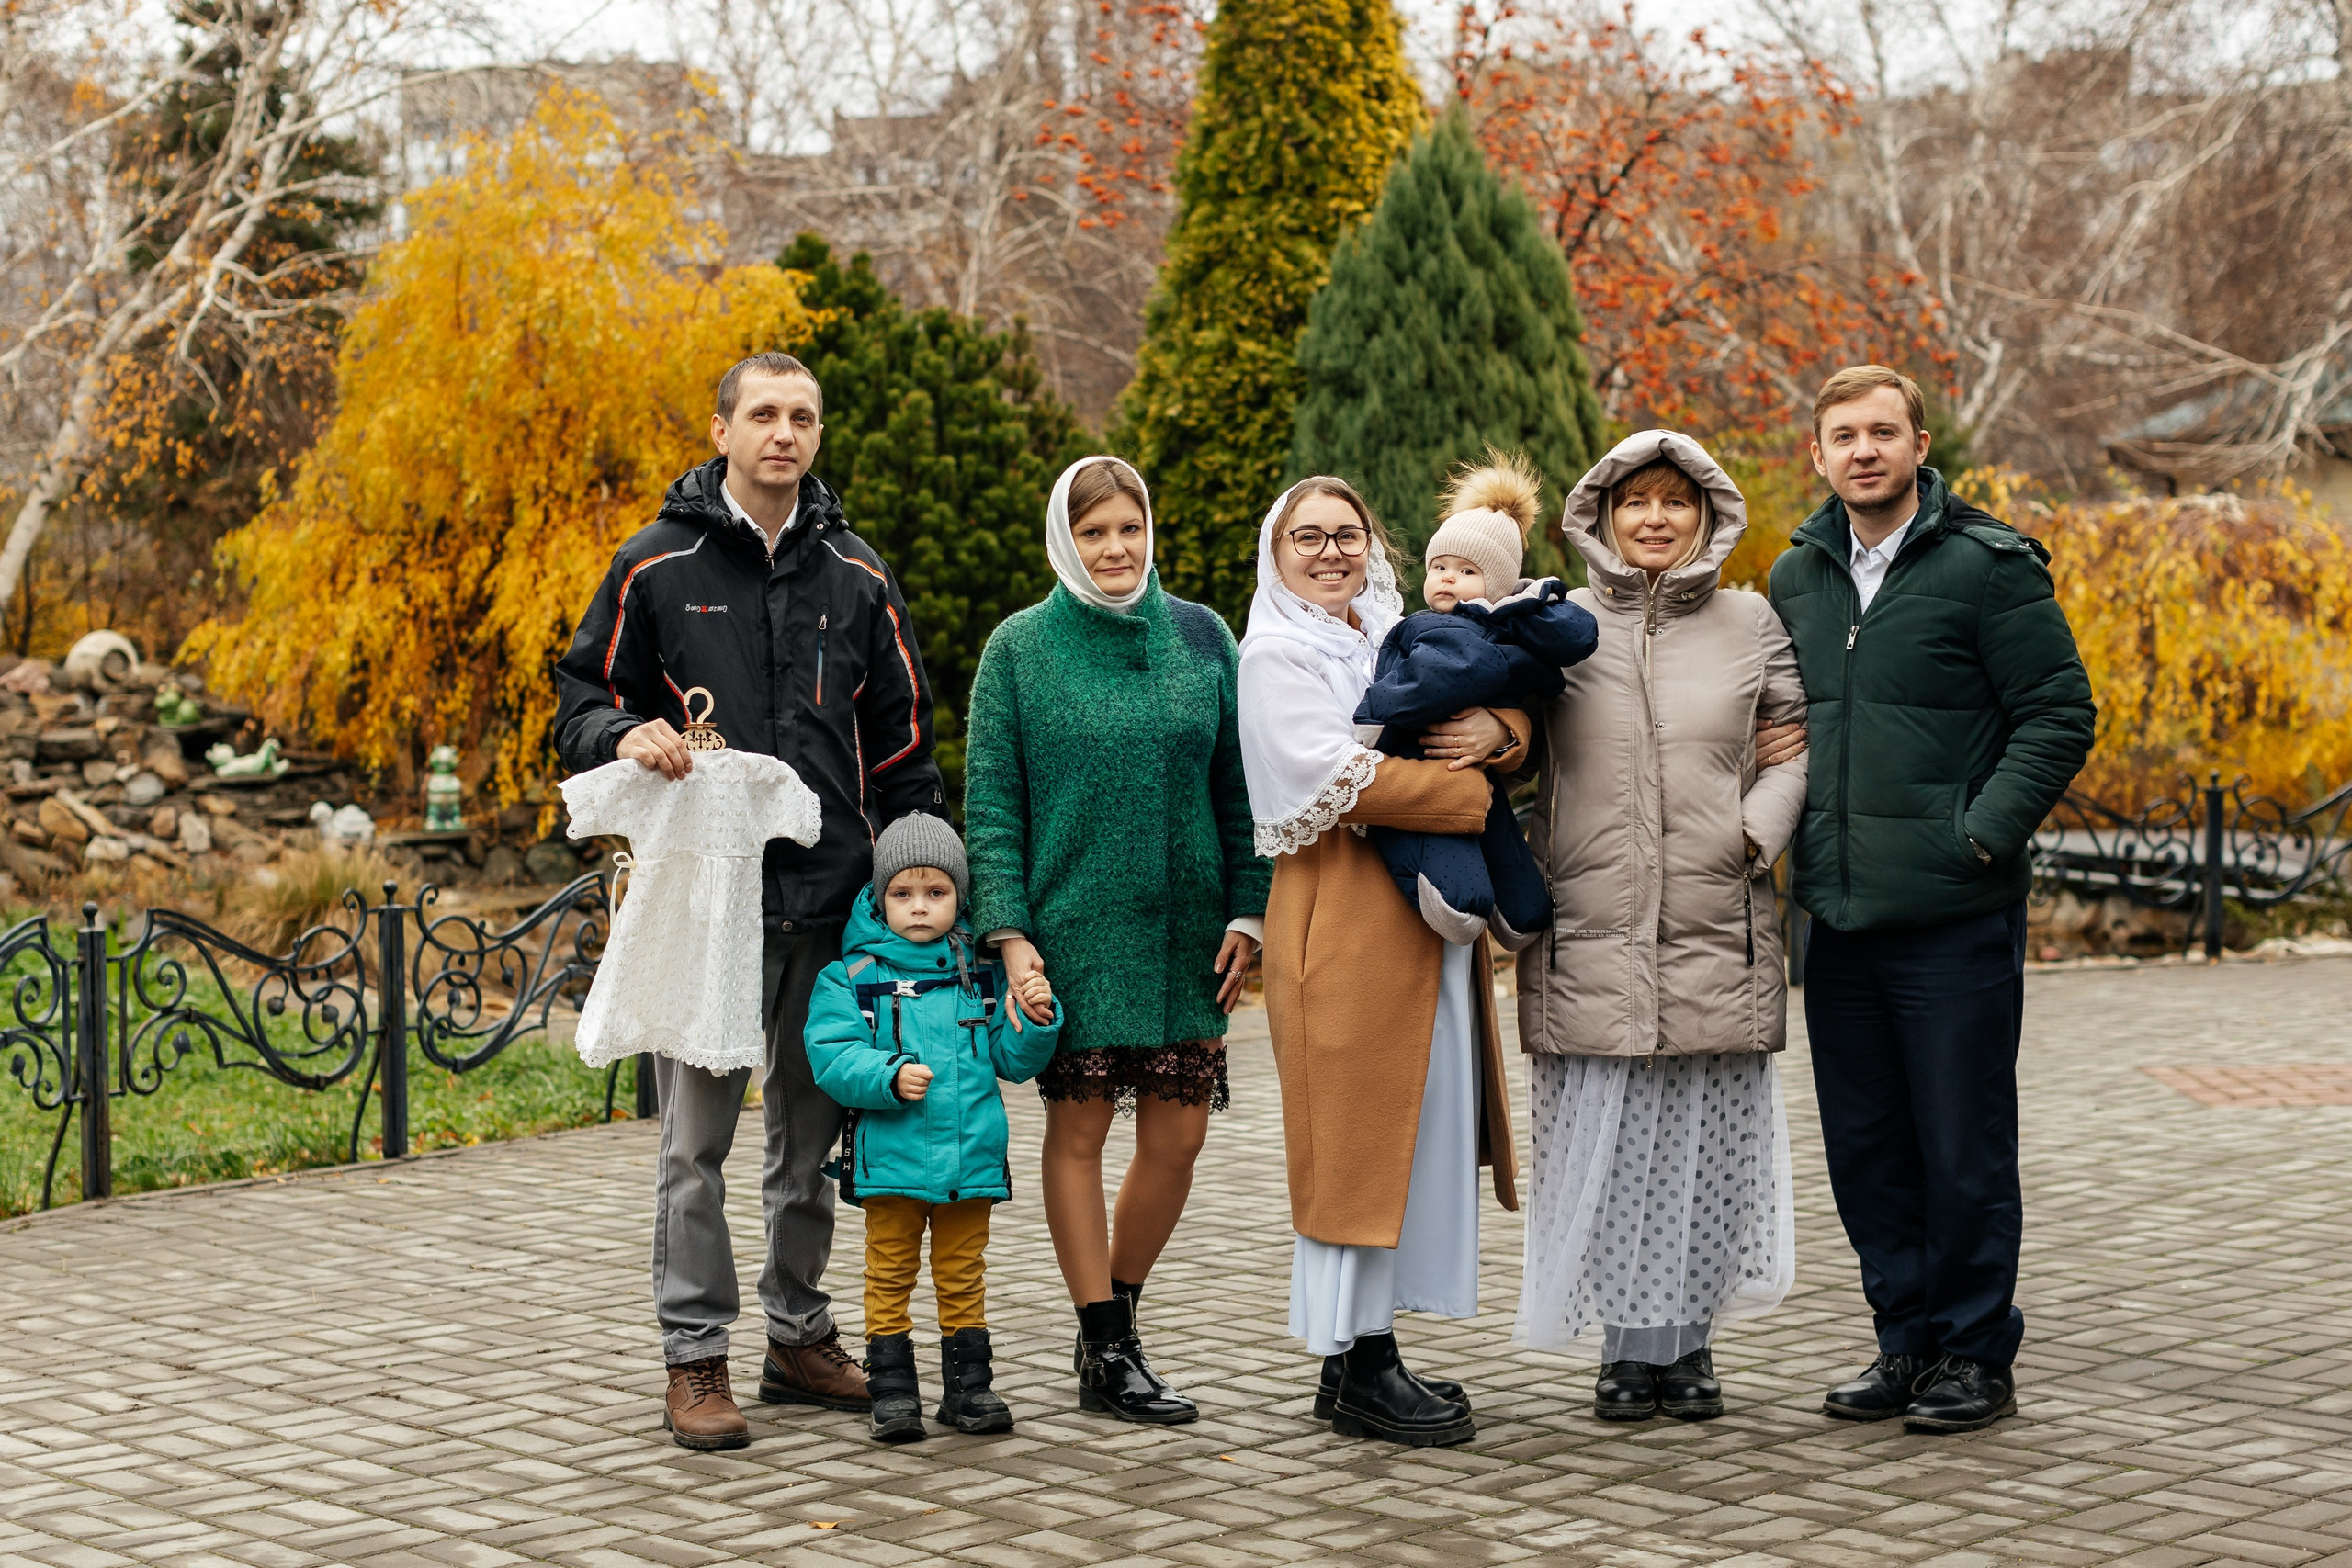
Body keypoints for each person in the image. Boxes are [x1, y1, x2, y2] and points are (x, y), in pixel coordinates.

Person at [552, 352, 947, 1450]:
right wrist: (622, 731)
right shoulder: (654, 564)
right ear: (722, 429)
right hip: (709, 907)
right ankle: (694, 1356)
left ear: (817, 435)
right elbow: (579, 700)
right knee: (695, 1148)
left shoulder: (857, 573)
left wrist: (919, 881)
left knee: (810, 1142)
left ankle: (797, 1337)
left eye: (803, 417)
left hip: (832, 905)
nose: (784, 433)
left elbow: (904, 744)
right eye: (764, 414)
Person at [1769, 365, 2094, 1434]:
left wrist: (1979, 835)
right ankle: (1903, 1343)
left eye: (1882, 432)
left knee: (1961, 1145)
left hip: (1954, 916)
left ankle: (1972, 1354)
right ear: (1818, 454)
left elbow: (2057, 712)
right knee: (1868, 1149)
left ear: (1918, 445)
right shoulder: (1796, 576)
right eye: (1843, 436)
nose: (1862, 451)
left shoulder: (1987, 567)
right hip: (1837, 917)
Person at [962, 456, 1269, 1424]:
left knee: (1179, 1137)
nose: (1114, 548)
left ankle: (1120, 1310)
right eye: (1093, 531)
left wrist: (1250, 910)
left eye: (1128, 528)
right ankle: (1103, 1342)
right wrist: (1009, 935)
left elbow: (1241, 786)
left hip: (1190, 933)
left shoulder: (1201, 634)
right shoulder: (1019, 648)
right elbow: (993, 805)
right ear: (1065, 537)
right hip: (1073, 934)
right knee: (1081, 1132)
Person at [1511, 431, 1809, 1422]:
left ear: (1706, 517)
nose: (1653, 518)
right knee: (1606, 1154)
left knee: (1702, 1153)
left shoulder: (1749, 620)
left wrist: (1753, 833)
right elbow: (1513, 745)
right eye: (1633, 501)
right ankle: (1622, 1347)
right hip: (1588, 926)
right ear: (1600, 515)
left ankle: (1688, 1345)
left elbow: (1790, 744)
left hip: (1712, 921)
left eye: (1674, 501)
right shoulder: (1556, 623)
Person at [1236, 474, 1523, 1450]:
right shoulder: (1275, 653)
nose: (1330, 553)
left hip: (1421, 925)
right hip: (1340, 918)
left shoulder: (1392, 631)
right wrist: (1468, 797)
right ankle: (1363, 1367)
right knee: (1355, 1146)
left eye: (1347, 535)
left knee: (1413, 1133)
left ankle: (1359, 1358)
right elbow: (1331, 773)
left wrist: (1500, 734)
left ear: (1373, 545)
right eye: (1308, 537)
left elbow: (1492, 693)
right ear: (1277, 554)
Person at [804, 815, 1062, 1444]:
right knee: (889, 1272)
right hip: (890, 1164)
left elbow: (1011, 1059)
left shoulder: (983, 974)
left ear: (961, 895)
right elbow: (831, 1054)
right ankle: (892, 1391)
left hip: (969, 1161)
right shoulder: (851, 976)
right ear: (879, 897)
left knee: (962, 1272)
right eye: (903, 892)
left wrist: (1036, 1018)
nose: (919, 906)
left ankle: (969, 1388)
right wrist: (887, 1074)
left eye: (936, 891)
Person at [1353, 455, 1599, 949]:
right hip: (1414, 767)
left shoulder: (1507, 625)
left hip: (1481, 780)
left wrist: (1523, 604)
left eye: (1466, 570)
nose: (1447, 578)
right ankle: (1456, 896)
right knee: (1459, 885)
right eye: (1439, 567)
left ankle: (1520, 915)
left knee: (1520, 886)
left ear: (1499, 585)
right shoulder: (1419, 626)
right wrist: (1373, 719)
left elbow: (1574, 638)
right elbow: (1422, 681)